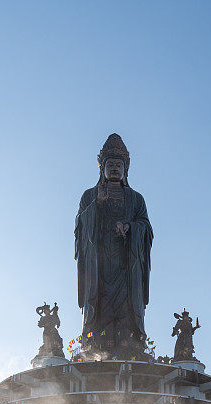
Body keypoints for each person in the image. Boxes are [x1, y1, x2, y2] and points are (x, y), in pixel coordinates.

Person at [75, 134, 153, 355]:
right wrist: (97, 204)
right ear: (102, 167)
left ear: (126, 169)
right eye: (111, 165)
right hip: (98, 264)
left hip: (127, 263)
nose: (115, 169)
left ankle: (130, 342)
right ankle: (95, 343)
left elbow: (145, 226)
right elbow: (80, 228)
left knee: (127, 304)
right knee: (99, 301)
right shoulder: (89, 195)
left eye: (119, 165)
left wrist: (130, 228)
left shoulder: (136, 199)